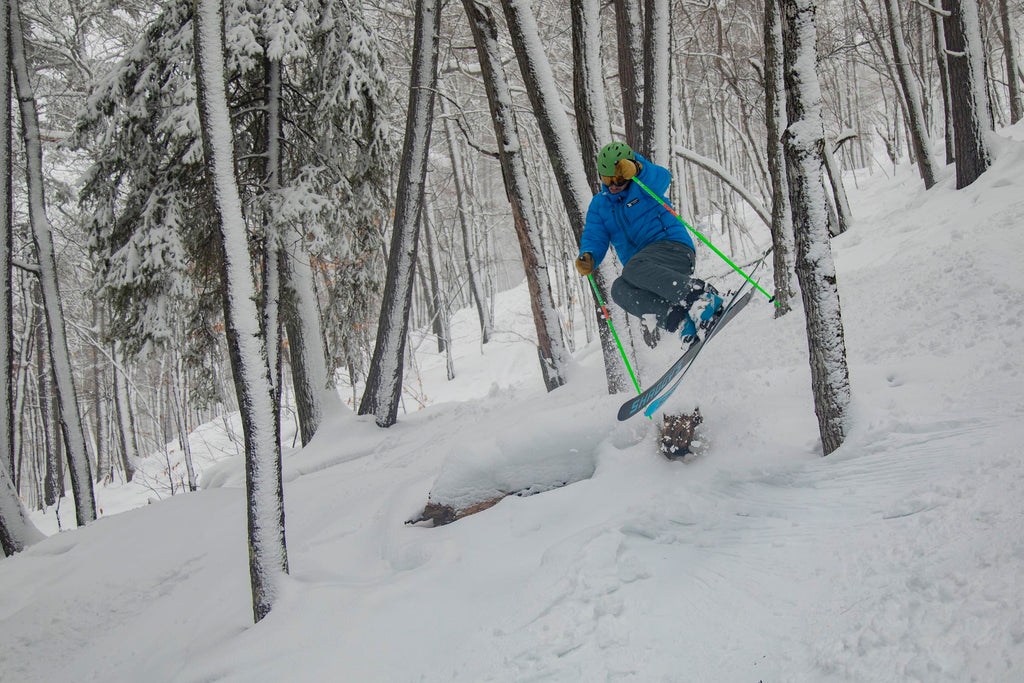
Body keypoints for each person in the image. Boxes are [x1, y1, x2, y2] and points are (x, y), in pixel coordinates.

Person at [575, 141, 722, 345]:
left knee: (632, 268)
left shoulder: (641, 183)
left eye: (617, 179)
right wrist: (589, 255)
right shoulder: (600, 205)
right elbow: (594, 235)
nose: (613, 186)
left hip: (673, 249)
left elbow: (663, 178)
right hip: (645, 271)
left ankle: (701, 297)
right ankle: (681, 320)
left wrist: (638, 170)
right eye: (607, 179)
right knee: (618, 289)